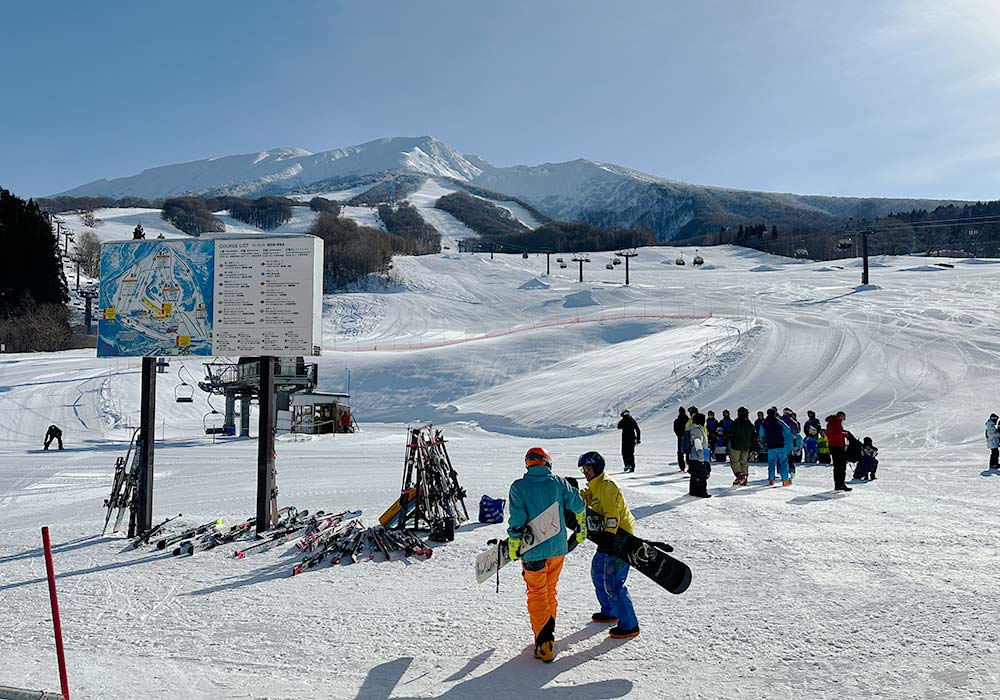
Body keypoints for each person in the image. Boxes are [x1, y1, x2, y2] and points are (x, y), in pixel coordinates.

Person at [508, 447, 587, 662]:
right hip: (557, 549)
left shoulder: (518, 487)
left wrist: (514, 546)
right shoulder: (559, 482)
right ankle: (548, 637)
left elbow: (517, 520)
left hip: (533, 552)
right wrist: (581, 530)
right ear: (547, 463)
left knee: (536, 593)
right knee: (550, 590)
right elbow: (580, 506)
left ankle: (544, 644)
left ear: (528, 464)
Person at [578, 451, 640, 639]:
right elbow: (588, 498)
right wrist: (572, 493)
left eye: (587, 468)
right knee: (598, 573)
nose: (585, 472)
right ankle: (610, 610)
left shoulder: (606, 486)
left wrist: (609, 537)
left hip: (619, 539)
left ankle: (629, 625)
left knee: (613, 581)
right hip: (609, 536)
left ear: (596, 468)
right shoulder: (596, 485)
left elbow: (612, 514)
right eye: (583, 469)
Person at [762, 408, 792, 486]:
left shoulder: (764, 423)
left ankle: (771, 480)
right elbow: (788, 430)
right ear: (775, 413)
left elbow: (761, 434)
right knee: (783, 463)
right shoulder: (779, 421)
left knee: (771, 463)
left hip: (770, 446)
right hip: (780, 445)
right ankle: (785, 481)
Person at [825, 411, 852, 491]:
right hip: (837, 446)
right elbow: (834, 434)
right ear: (841, 416)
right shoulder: (834, 422)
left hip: (836, 446)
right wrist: (845, 434)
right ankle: (840, 484)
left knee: (839, 466)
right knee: (840, 466)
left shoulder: (833, 422)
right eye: (843, 417)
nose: (843, 419)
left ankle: (839, 484)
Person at [729, 407, 756, 486]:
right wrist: (753, 447)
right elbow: (753, 436)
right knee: (744, 462)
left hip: (736, 445)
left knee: (734, 461)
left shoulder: (736, 422)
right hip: (746, 446)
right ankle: (745, 477)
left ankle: (739, 475)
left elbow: (731, 433)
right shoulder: (750, 424)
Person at [686, 413, 711, 497]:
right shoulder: (696, 429)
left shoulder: (695, 428)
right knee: (702, 475)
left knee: (695, 474)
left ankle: (693, 491)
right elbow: (697, 442)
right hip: (698, 455)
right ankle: (702, 492)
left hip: (694, 455)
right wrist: (701, 456)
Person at [673, 407, 688, 472]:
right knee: (688, 452)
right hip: (687, 438)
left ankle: (682, 467)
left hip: (680, 438)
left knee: (680, 453)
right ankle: (690, 467)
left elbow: (675, 429)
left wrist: (679, 435)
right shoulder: (688, 420)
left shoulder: (677, 420)